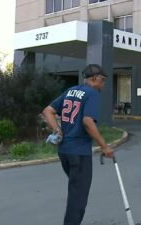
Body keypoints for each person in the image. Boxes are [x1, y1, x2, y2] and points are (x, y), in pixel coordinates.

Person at [42, 64, 114, 225]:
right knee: (78, 197)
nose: (103, 84)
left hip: (65, 152)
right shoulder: (92, 93)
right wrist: (105, 146)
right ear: (94, 78)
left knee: (76, 190)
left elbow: (47, 111)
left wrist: (58, 130)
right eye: (102, 80)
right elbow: (88, 122)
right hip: (79, 153)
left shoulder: (71, 91)